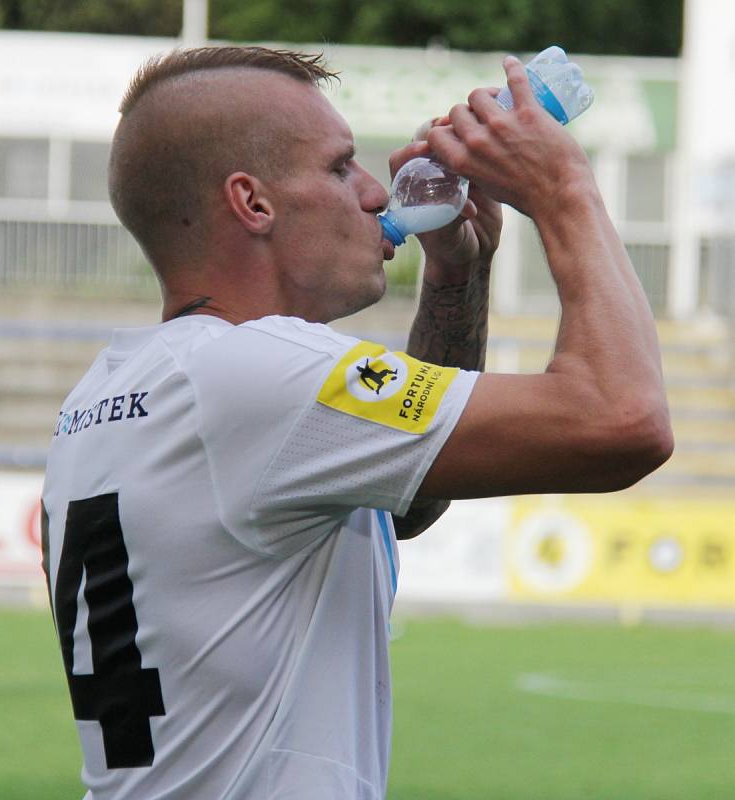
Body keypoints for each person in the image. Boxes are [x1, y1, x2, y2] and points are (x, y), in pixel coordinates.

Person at [40, 46, 672, 800]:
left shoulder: (114, 391)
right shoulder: (255, 373)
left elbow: (407, 503)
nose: (376, 192)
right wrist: (565, 189)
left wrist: (454, 275)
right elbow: (622, 419)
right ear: (253, 203)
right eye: (341, 168)